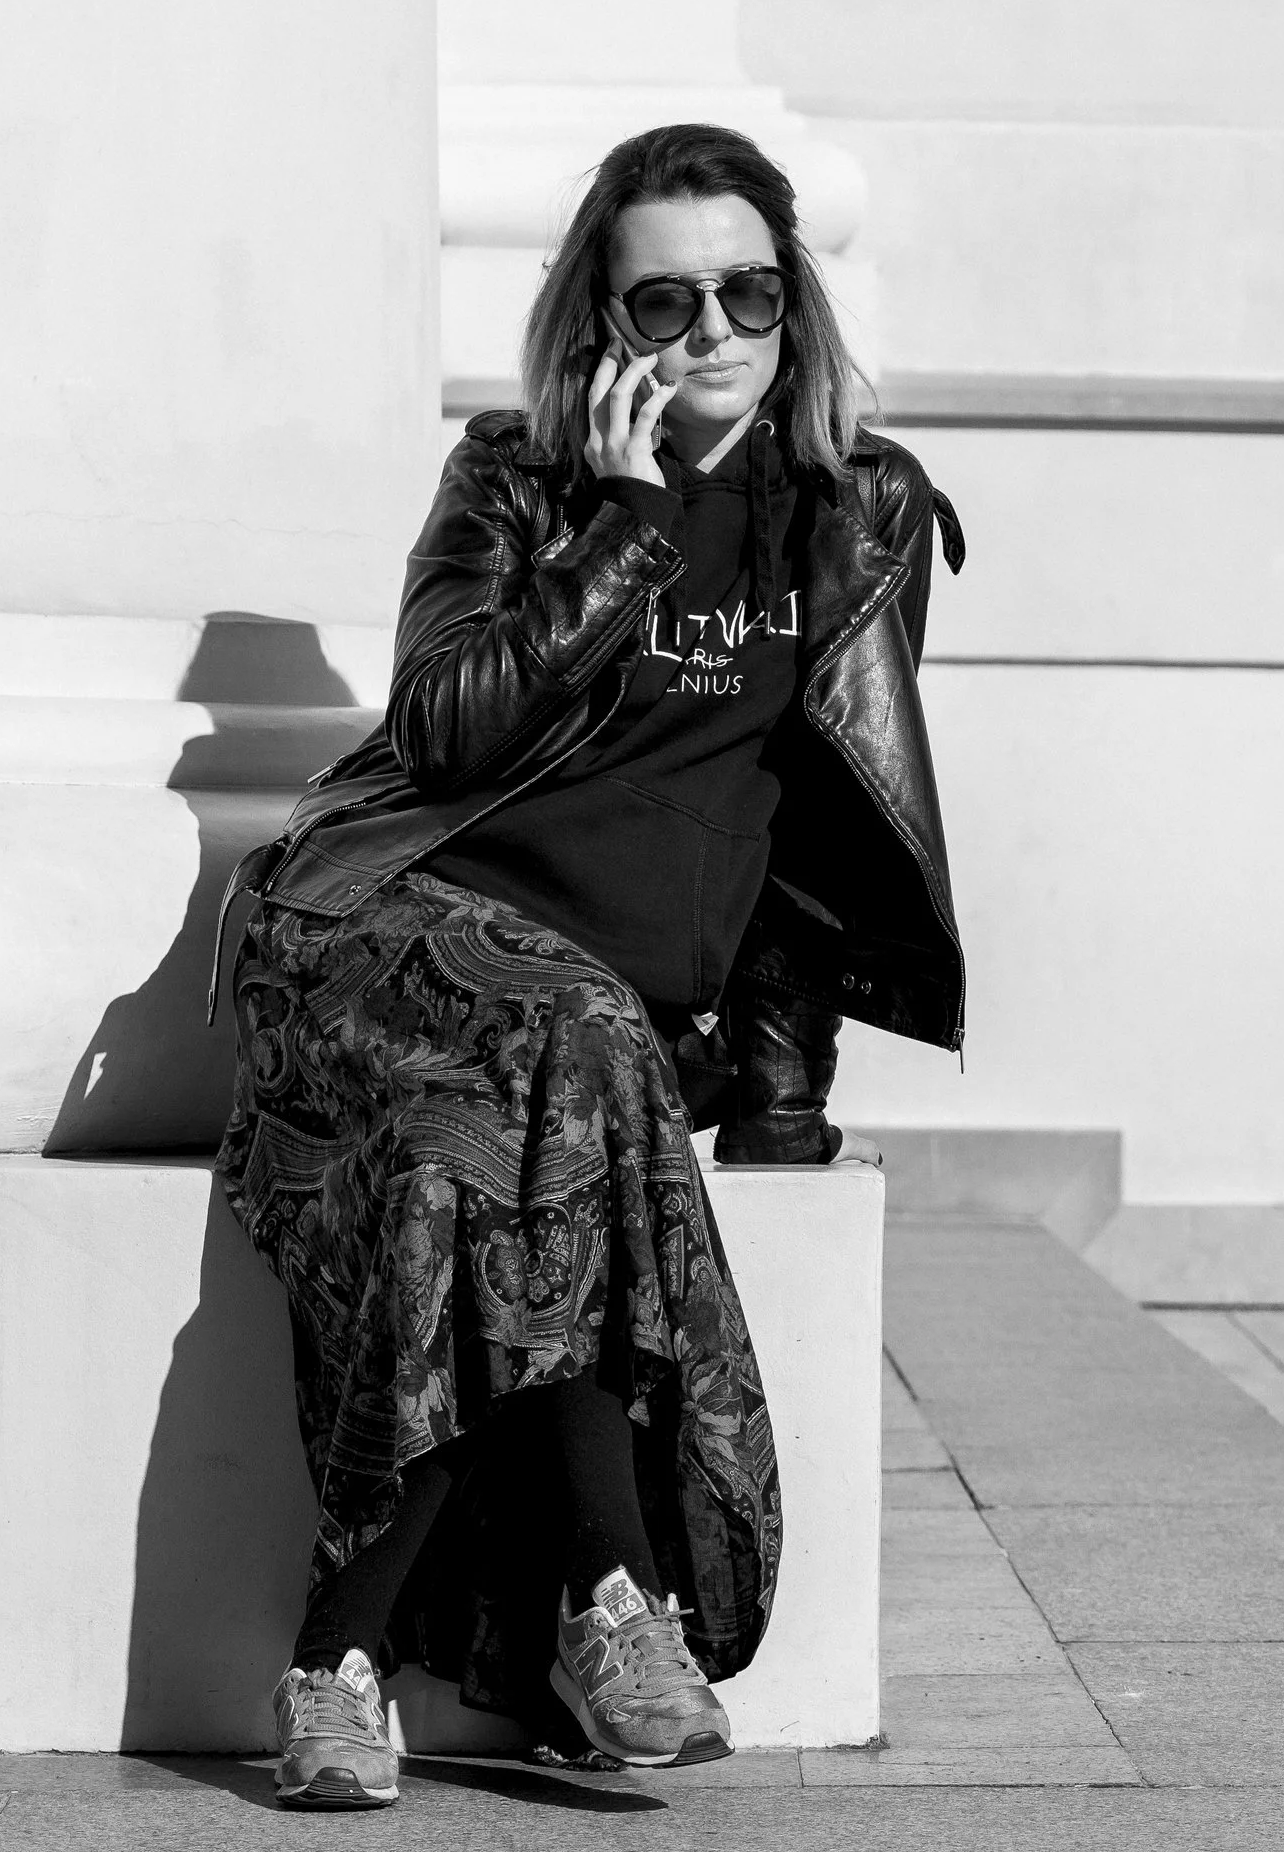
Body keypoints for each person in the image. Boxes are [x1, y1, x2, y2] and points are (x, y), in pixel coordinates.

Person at [209, 122, 966, 1810]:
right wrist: (622, 524)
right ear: (598, 322)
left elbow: (834, 832)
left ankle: (337, 1656)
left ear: (797, 304)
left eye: (750, 291)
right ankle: (612, 1606)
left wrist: (781, 1088)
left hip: (585, 1032)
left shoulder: (861, 512)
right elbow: (445, 728)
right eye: (666, 300)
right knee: (578, 1035)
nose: (713, 332)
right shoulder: (514, 476)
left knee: (447, 1177)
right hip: (375, 932)